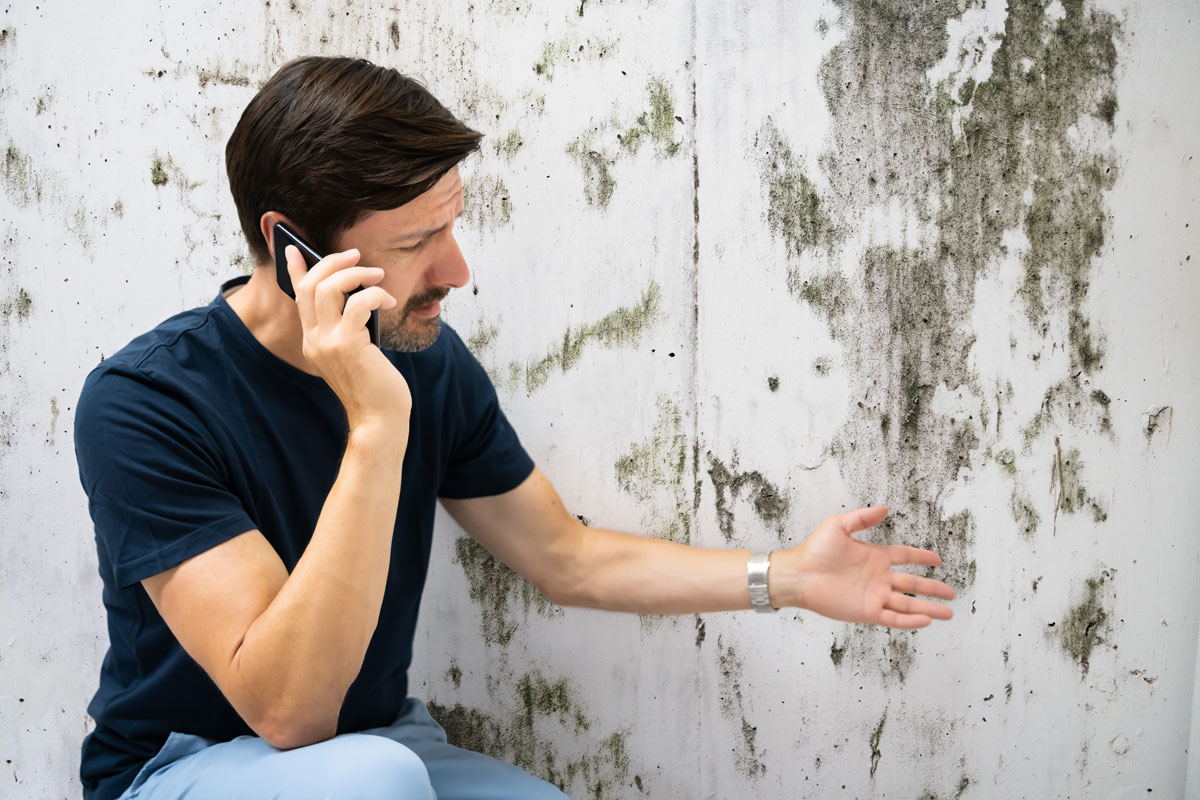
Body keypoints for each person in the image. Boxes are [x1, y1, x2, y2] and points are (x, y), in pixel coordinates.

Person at [73, 55, 955, 800]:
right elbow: (290, 710)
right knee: (368, 780)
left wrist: (789, 577)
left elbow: (565, 556)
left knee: (400, 775)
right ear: (297, 250)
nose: (455, 269)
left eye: (451, 227)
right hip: (182, 772)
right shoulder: (147, 405)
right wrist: (376, 425)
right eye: (418, 241)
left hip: (385, 751)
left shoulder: (425, 357)